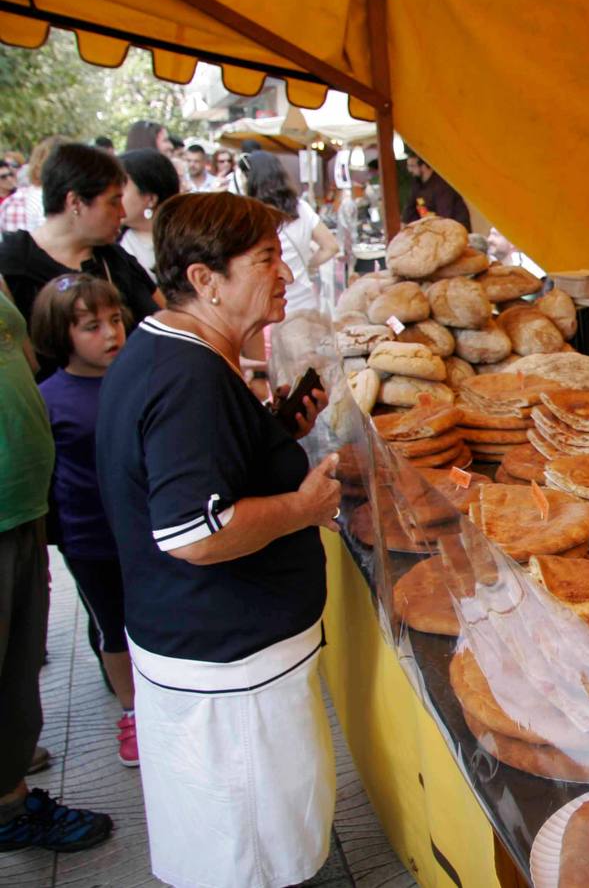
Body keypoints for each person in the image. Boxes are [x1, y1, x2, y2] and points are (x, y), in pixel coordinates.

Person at [96, 191, 337, 888]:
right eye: (265, 261)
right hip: (227, 667)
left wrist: (272, 433)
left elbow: (197, 473)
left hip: (208, 653)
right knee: (249, 849)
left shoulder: (166, 349)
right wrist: (301, 505)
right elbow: (194, 532)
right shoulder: (188, 379)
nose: (284, 275)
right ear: (206, 280)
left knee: (235, 835)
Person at [0, 278, 115, 852]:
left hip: (20, 509)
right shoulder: (62, 391)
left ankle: (9, 789)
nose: (110, 333)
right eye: (92, 325)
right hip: (61, 525)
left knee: (18, 662)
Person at [28, 274, 137, 766]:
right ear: (60, 334)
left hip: (145, 528)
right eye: (92, 326)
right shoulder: (48, 398)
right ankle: (132, 713)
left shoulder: (136, 376)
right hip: (91, 539)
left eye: (115, 320)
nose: (111, 333)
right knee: (112, 626)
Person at [0, 143, 160, 371]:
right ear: (75, 202)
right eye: (113, 201)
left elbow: (164, 315)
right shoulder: (12, 267)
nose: (122, 213)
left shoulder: (113, 257)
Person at [243, 151, 339, 315]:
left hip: (268, 306)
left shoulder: (251, 215)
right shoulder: (301, 207)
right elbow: (331, 246)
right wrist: (307, 265)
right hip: (304, 302)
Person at [118, 149, 182, 277]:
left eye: (121, 186)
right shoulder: (113, 245)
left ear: (151, 199)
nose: (113, 195)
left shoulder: (191, 241)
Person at [0, 136, 66, 234]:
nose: (9, 179)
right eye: (3, 177)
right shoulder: (16, 204)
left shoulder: (16, 201)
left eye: (11, 174)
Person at [401, 147, 470, 228]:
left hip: (454, 230)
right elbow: (409, 210)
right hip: (436, 229)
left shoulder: (442, 185)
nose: (409, 170)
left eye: (412, 166)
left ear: (423, 166)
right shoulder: (417, 184)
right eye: (408, 166)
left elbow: (444, 217)